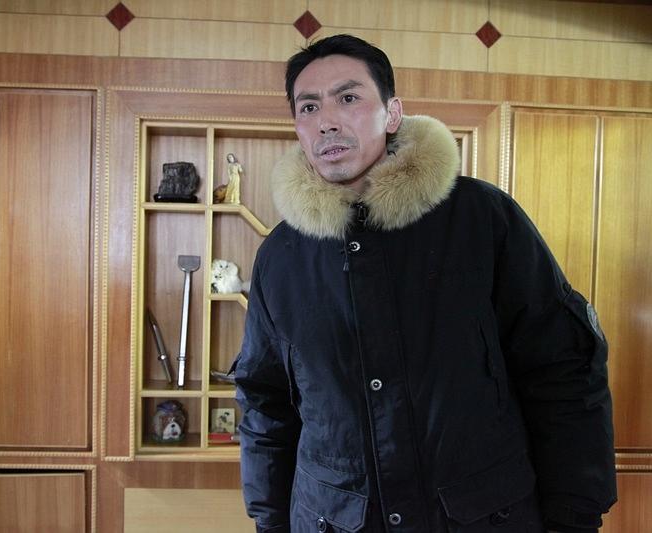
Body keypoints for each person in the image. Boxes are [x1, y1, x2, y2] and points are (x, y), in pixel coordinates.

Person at [233, 34, 616, 533]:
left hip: (485, 516)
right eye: (309, 107)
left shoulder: (482, 219)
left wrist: (575, 516)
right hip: (333, 520)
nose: (326, 120)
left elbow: (564, 370)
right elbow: (265, 406)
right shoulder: (280, 257)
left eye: (348, 98)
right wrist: (269, 522)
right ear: (298, 128)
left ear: (392, 114)